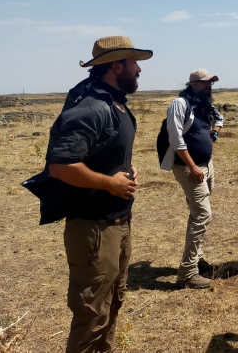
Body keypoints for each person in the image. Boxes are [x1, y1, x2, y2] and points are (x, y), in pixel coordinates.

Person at [44, 36, 152, 353]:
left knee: (113, 301)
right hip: (93, 227)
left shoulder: (114, 102)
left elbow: (103, 151)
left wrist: (126, 168)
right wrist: (109, 183)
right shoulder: (92, 107)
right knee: (92, 314)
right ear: (116, 66)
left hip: (117, 222)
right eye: (133, 63)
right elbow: (60, 166)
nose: (139, 70)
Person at [160, 69, 224, 289]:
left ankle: (197, 258)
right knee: (203, 214)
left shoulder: (204, 104)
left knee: (197, 213)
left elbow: (219, 118)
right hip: (189, 168)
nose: (209, 86)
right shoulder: (180, 104)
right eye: (205, 83)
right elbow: (176, 139)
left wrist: (214, 133)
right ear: (193, 84)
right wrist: (193, 166)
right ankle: (187, 272)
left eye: (211, 83)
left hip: (206, 166)